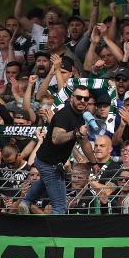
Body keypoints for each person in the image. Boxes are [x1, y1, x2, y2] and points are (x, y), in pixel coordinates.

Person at [18, 86, 96, 214]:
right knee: (60, 206)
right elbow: (56, 138)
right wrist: (76, 133)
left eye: (85, 98)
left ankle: (26, 202)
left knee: (44, 181)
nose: (82, 100)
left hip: (46, 161)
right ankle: (55, 233)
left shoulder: (81, 116)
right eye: (79, 97)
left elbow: (84, 142)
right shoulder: (64, 115)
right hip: (50, 164)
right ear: (71, 98)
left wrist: (94, 163)